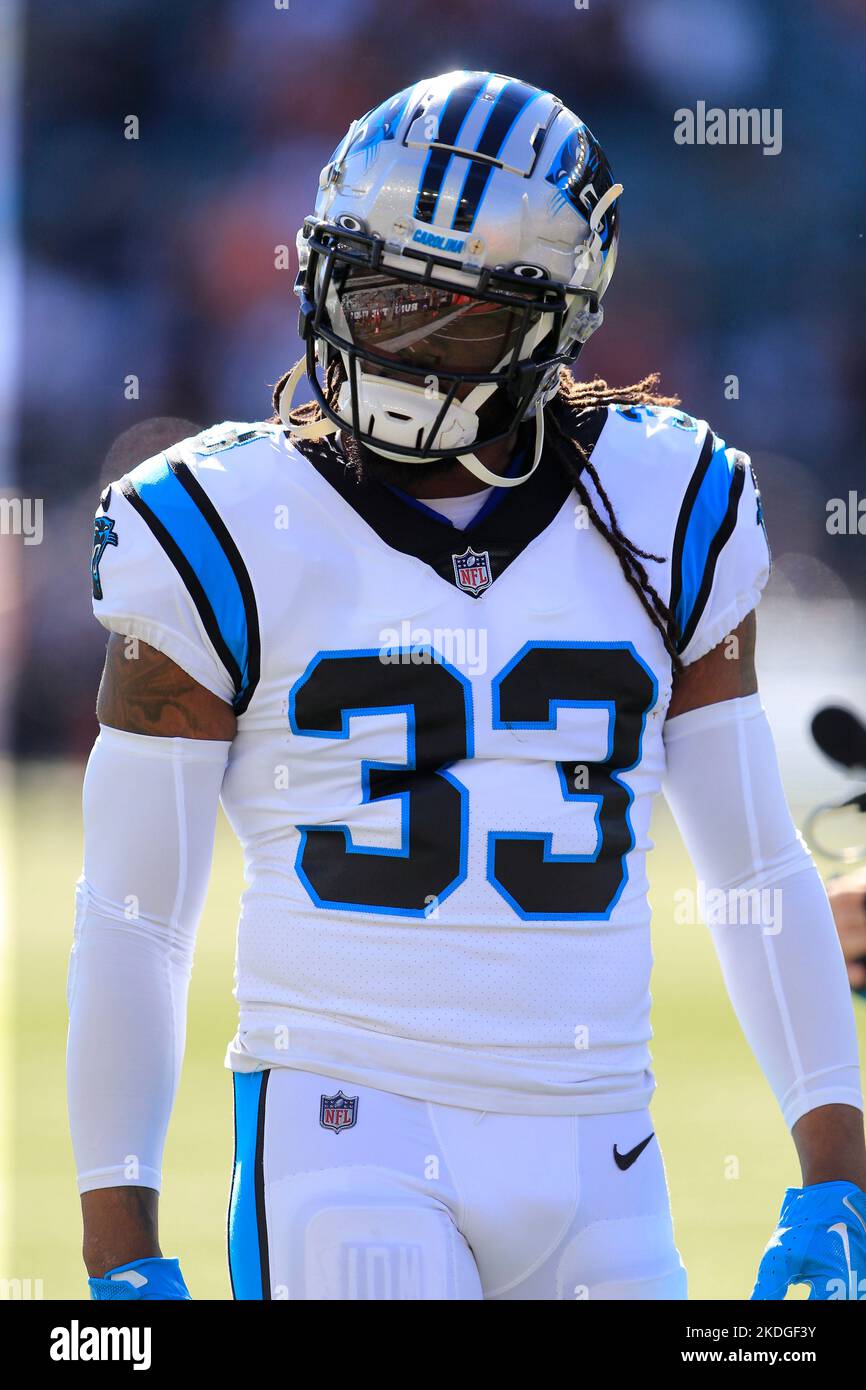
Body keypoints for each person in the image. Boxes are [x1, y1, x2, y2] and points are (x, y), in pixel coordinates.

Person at [69, 70, 866, 1301]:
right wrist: (119, 1256)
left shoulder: (669, 502)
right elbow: (133, 919)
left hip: (606, 1144)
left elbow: (754, 867)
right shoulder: (213, 523)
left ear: (553, 323)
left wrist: (835, 1187)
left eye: (454, 319)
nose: (397, 344)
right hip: (344, 1134)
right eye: (376, 298)